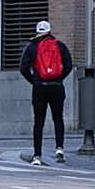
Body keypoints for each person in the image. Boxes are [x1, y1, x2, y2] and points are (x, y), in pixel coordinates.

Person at [19, 20, 73, 165]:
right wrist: (59, 78)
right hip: (57, 86)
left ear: (37, 31)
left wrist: (34, 80)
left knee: (39, 121)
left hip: (39, 87)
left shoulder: (31, 47)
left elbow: (23, 68)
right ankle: (59, 149)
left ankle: (37, 155)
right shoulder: (60, 46)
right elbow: (68, 65)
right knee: (58, 118)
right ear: (49, 30)